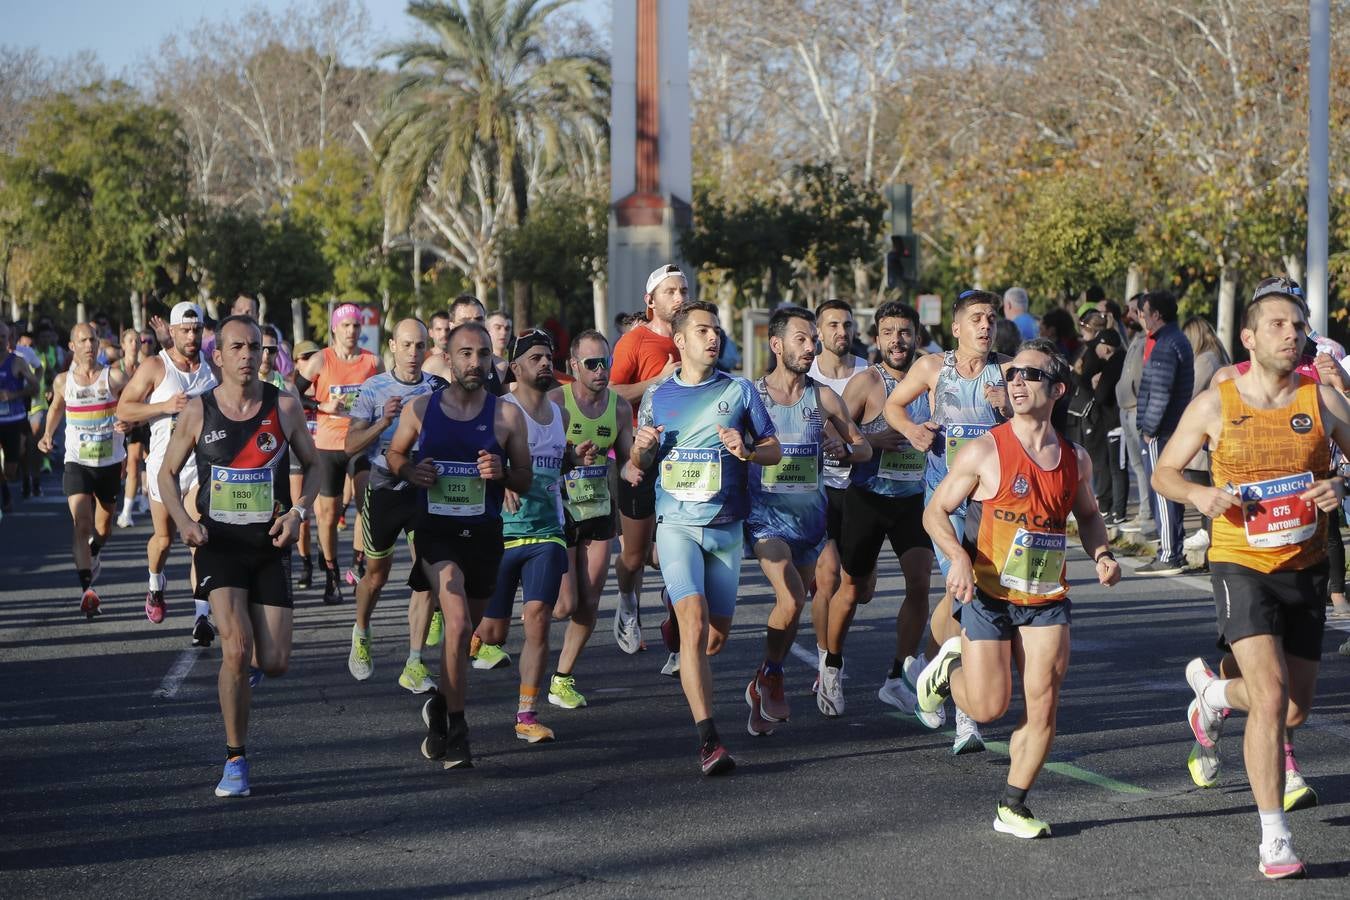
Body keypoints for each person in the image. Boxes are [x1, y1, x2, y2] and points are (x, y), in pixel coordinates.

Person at [1149, 277, 1350, 879]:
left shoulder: (1323, 401)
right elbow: (1164, 473)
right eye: (1278, 326)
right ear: (1249, 337)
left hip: (1307, 564)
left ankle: (1211, 696)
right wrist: (1202, 494)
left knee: (1292, 709)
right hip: (1241, 563)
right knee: (1268, 696)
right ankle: (1274, 838)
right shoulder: (1217, 402)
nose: (1292, 335)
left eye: (1298, 325)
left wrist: (1340, 485)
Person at [917, 338, 1121, 839]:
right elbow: (934, 511)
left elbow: (1090, 516)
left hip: (1045, 598)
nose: (1017, 382)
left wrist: (1103, 554)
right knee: (988, 707)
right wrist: (959, 557)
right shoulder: (986, 450)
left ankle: (1014, 804)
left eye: (1029, 375)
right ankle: (948, 669)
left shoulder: (1075, 459)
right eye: (1012, 376)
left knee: (1044, 700)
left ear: (1057, 389)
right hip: (988, 596)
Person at [156, 315, 318, 798]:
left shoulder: (283, 406)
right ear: (219, 355)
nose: (248, 355)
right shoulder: (199, 411)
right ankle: (235, 760)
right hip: (219, 545)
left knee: (276, 662)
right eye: (237, 347)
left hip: (269, 544)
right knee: (235, 646)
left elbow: (313, 465)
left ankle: (241, 671)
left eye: (255, 347)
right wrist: (185, 524)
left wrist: (299, 514)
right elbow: (166, 474)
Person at [631, 299, 780, 774]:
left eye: (716, 330)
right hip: (675, 526)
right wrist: (641, 451)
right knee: (694, 623)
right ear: (680, 340)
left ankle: (675, 622)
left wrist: (748, 450)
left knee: (713, 639)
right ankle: (709, 740)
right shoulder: (657, 397)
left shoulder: (740, 391)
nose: (713, 338)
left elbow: (773, 450)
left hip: (725, 530)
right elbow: (638, 466)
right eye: (702, 331)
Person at [385, 321, 532, 770]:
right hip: (435, 531)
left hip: (484, 533)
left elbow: (526, 479)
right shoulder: (422, 409)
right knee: (453, 615)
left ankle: (439, 709)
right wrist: (412, 472)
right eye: (465, 353)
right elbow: (394, 456)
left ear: (492, 359)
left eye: (483, 354)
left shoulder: (506, 417)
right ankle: (460, 729)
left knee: (467, 631)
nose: (474, 362)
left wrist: (501, 473)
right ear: (447, 358)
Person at [884, 288, 1010, 754]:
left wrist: (1010, 406)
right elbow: (894, 407)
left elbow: (1045, 411)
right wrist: (912, 429)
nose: (985, 326)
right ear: (956, 328)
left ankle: (931, 670)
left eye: (992, 318)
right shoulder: (932, 368)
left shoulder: (1010, 372)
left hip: (992, 507)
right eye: (976, 318)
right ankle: (967, 718)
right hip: (944, 504)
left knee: (969, 596)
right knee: (966, 590)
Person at [468, 329, 597, 743]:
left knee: (539, 619)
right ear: (515, 366)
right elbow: (478, 461)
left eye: (549, 357)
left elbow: (556, 464)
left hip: (547, 530)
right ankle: (467, 641)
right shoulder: (498, 410)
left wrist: (575, 458)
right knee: (494, 634)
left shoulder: (559, 414)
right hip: (500, 534)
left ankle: (526, 715)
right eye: (537, 357)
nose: (545, 364)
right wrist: (503, 478)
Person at [745, 307, 865, 735]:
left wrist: (846, 450)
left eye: (813, 339)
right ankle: (772, 675)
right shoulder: (751, 396)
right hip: (766, 521)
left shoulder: (823, 398)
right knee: (793, 599)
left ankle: (765, 677)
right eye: (802, 339)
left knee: (791, 610)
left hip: (811, 526)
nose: (811, 346)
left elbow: (863, 448)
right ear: (777, 345)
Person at [821, 302, 936, 724]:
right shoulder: (866, 382)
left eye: (904, 332)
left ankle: (897, 678)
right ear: (877, 338)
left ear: (917, 335)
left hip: (914, 499)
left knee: (920, 585)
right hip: (867, 496)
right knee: (852, 590)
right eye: (888, 332)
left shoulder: (934, 378)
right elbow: (832, 426)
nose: (897, 340)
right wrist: (875, 437)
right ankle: (831, 665)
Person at [344, 319, 448, 693]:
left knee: (426, 572)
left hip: (423, 489)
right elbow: (350, 445)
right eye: (406, 346)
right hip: (384, 488)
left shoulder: (438, 388)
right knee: (377, 575)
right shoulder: (373, 388)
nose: (413, 354)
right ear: (392, 346)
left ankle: (415, 662)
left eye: (420, 346)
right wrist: (382, 422)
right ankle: (361, 631)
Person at [117, 302, 219, 638]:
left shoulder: (211, 370)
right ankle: (155, 584)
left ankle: (201, 616)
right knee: (163, 540)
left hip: (200, 470)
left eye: (196, 330)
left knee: (198, 538)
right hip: (165, 469)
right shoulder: (155, 367)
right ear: (172, 332)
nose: (191, 336)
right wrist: (164, 406)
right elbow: (124, 407)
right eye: (185, 330)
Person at [548, 330, 635, 709]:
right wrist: (568, 454)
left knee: (590, 601)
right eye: (592, 364)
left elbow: (630, 459)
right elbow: (534, 451)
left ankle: (562, 678)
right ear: (573, 367)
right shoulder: (556, 402)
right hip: (560, 509)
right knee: (564, 605)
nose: (601, 370)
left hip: (599, 508)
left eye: (606, 363)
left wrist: (640, 460)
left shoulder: (618, 407)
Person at [608, 264, 684, 659]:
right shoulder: (634, 342)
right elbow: (613, 392)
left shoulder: (692, 340)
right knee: (635, 556)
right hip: (640, 456)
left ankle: (678, 640)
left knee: (680, 548)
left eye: (683, 291)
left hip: (684, 461)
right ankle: (626, 601)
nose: (679, 298)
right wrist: (657, 380)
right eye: (670, 291)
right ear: (650, 300)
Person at [37, 323, 129, 616]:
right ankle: (87, 588)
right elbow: (56, 409)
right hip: (76, 461)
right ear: (73, 346)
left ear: (99, 344)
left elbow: (134, 404)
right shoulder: (63, 382)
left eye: (93, 339)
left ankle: (95, 552)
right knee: (81, 523)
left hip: (109, 462)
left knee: (103, 529)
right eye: (83, 340)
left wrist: (130, 421)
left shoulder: (114, 377)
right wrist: (48, 434)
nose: (89, 344)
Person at [296, 303, 383, 603]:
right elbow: (294, 395)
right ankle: (331, 574)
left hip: (360, 445)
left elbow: (386, 394)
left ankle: (358, 561)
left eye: (356, 326)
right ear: (334, 328)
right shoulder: (321, 359)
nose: (351, 331)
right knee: (328, 516)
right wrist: (323, 407)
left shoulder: (373, 362)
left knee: (366, 506)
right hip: (328, 447)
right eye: (345, 325)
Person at [806, 299, 871, 684]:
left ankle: (832, 646)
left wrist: (853, 445)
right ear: (818, 331)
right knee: (828, 576)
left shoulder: (869, 373)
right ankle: (826, 660)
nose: (841, 332)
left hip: (860, 488)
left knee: (860, 589)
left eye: (847, 325)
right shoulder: (806, 373)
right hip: (818, 489)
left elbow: (878, 432)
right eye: (832, 325)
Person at [1135, 290, 1195, 575]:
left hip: (1162, 431)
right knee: (1169, 490)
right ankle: (1172, 549)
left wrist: (1149, 429)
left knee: (1161, 489)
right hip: (1173, 427)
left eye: (1144, 311)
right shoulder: (1176, 340)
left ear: (1156, 314)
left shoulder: (1165, 345)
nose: (1142, 317)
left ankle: (1169, 553)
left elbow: (1159, 392)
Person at [1179, 316, 1231, 556]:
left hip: (1205, 434)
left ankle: (1210, 538)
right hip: (1211, 432)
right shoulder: (1216, 356)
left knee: (1207, 493)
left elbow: (1189, 390)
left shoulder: (1205, 360)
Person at [1065, 311, 1124, 525]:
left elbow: (1092, 387)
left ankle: (1101, 502)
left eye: (1085, 329)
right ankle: (1085, 502)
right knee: (1080, 460)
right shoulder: (1087, 350)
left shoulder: (1097, 354)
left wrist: (1074, 373)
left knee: (1097, 462)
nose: (1082, 333)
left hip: (1093, 413)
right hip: (1078, 409)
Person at [1115, 294, 1157, 538]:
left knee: (1144, 465)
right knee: (1136, 465)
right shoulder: (1134, 339)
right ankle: (1144, 510)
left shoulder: (1148, 340)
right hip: (1127, 409)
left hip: (1138, 409)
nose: (1130, 315)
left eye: (1134, 310)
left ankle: (1148, 512)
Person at [289, 340, 322, 588]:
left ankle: (326, 553)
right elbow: (293, 399)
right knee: (302, 514)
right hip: (298, 455)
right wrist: (319, 406)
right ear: (296, 362)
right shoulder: (290, 388)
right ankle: (306, 563)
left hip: (324, 452)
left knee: (324, 514)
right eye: (304, 358)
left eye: (314, 357)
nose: (310, 362)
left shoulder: (326, 385)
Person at [0, 322, 40, 515]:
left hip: (13, 420)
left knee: (10, 470)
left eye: (2, 336)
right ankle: (5, 493)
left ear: (8, 339)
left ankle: (11, 481)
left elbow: (35, 387)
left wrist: (13, 395)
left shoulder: (17, 361)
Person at [116, 328, 152, 528]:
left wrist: (137, 420)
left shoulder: (145, 368)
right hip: (118, 424)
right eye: (130, 340)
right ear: (122, 345)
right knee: (121, 469)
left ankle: (126, 512)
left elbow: (150, 399)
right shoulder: (114, 369)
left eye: (138, 340)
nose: (135, 344)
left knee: (134, 462)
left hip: (140, 422)